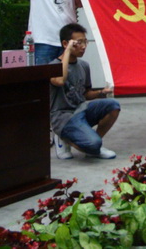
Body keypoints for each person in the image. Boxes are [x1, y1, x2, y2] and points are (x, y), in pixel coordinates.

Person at [50, 23, 119, 160]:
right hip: (63, 117)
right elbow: (60, 81)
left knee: (113, 105)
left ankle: (94, 146)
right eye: (78, 42)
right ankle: (63, 137)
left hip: (81, 109)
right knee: (93, 144)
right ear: (66, 43)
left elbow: (85, 94)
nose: (83, 46)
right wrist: (67, 51)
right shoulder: (52, 66)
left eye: (85, 42)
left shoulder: (84, 65)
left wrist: (101, 92)